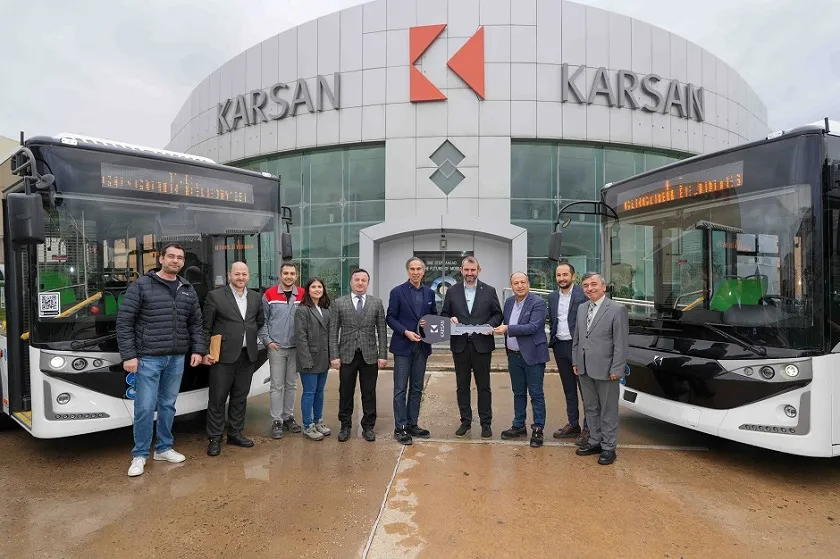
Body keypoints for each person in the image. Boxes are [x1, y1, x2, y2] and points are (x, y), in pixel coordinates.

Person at [116, 242, 204, 477]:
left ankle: (164, 448)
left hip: (176, 358)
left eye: (180, 258)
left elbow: (196, 323)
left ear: (183, 262)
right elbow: (124, 322)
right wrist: (129, 355)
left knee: (167, 405)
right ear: (161, 258)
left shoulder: (187, 288)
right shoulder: (142, 285)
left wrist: (198, 350)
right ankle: (140, 454)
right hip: (148, 358)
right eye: (171, 256)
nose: (175, 261)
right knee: (144, 407)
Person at [202, 262, 265, 456]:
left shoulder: (256, 297)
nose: (240, 277)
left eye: (244, 274)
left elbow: (259, 321)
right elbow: (206, 327)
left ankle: (235, 433)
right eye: (237, 274)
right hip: (222, 356)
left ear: (249, 276)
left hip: (247, 355)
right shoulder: (215, 296)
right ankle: (215, 438)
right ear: (229, 275)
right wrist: (204, 351)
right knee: (218, 398)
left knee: (240, 397)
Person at [440, 256, 503, 439]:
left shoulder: (489, 291)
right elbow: (444, 314)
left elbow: (498, 314)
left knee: (484, 386)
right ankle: (465, 422)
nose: (469, 273)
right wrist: (449, 319)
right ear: (461, 270)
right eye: (466, 270)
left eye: (473, 270)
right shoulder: (452, 291)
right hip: (460, 346)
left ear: (478, 270)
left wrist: (489, 325)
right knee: (462, 386)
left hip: (482, 345)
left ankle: (486, 424)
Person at [572, 272, 629, 465]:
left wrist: (617, 368)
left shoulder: (617, 309)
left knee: (608, 409)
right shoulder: (582, 308)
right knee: (590, 407)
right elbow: (577, 338)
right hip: (584, 367)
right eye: (586, 285)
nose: (590, 288)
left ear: (603, 287)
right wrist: (576, 361)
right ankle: (595, 441)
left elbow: (621, 343)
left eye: (594, 284)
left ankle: (609, 447)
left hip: (607, 369)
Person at [329, 269, 388, 442]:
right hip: (346, 354)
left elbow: (382, 331)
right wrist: (334, 355)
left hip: (369, 355)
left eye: (363, 280)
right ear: (351, 282)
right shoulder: (339, 303)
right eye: (357, 280)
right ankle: (345, 425)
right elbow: (333, 331)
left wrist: (383, 354)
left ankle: (368, 426)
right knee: (345, 392)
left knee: (369, 392)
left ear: (368, 283)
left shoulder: (376, 303)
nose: (360, 283)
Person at [494, 272, 550, 447]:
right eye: (516, 283)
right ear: (511, 286)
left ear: (528, 284)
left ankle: (538, 429)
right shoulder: (509, 302)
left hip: (533, 355)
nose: (520, 286)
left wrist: (507, 328)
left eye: (523, 282)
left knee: (536, 393)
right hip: (514, 356)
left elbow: (533, 327)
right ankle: (519, 425)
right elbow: (501, 320)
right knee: (518, 392)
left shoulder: (538, 303)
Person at [386, 257, 437, 445]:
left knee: (417, 388)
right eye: (412, 269)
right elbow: (390, 317)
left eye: (419, 269)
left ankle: (412, 424)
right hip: (403, 345)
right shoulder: (397, 292)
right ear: (408, 271)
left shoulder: (429, 293)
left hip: (422, 347)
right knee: (400, 389)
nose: (416, 272)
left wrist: (428, 323)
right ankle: (400, 427)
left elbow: (434, 316)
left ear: (423, 271)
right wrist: (405, 331)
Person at [259, 262, 305, 439]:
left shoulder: (302, 294)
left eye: (292, 273)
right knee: (277, 385)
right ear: (280, 275)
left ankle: (288, 417)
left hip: (296, 348)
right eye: (286, 273)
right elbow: (262, 320)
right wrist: (268, 341)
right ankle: (276, 420)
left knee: (292, 384)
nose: (289, 276)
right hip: (276, 348)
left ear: (296, 276)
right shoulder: (269, 294)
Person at [548, 261, 589, 445]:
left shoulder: (583, 294)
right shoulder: (552, 297)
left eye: (565, 275)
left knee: (585, 389)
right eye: (558, 275)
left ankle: (589, 427)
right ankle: (573, 424)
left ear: (573, 276)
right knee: (568, 388)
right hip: (560, 346)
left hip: (577, 346)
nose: (562, 278)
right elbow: (553, 320)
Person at [294, 277, 333, 441]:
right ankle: (308, 425)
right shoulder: (303, 310)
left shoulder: (325, 310)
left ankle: (318, 421)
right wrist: (306, 359)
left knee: (319, 392)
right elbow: (300, 337)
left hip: (323, 358)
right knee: (309, 392)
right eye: (313, 287)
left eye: (320, 287)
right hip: (309, 358)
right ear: (308, 290)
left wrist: (332, 356)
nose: (317, 289)